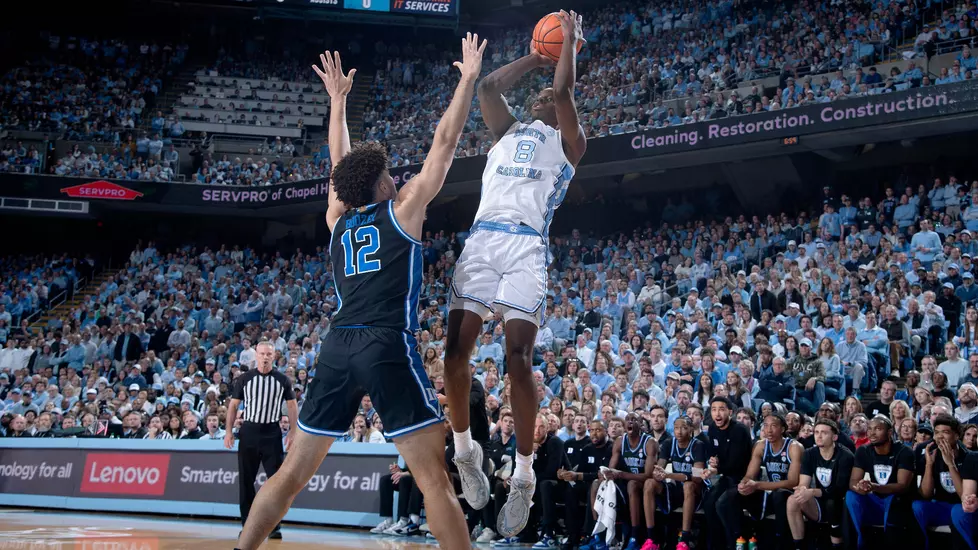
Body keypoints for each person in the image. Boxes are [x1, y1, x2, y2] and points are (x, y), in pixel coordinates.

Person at [233, 37, 487, 550]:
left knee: (287, 476)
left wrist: (338, 102)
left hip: (337, 346)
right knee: (433, 481)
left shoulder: (338, 219)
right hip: (385, 342)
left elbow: (339, 165)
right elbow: (444, 141)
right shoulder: (405, 208)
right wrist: (466, 81)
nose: (398, 178)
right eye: (390, 174)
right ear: (383, 185)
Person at [441, 10, 588, 540]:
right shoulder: (508, 130)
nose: (544, 99)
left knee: (517, 360)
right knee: (454, 355)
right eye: (541, 96)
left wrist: (566, 45)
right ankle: (465, 452)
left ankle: (523, 474)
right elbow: (487, 85)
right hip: (482, 239)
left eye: (549, 97)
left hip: (526, 246)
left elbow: (566, 94)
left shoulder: (569, 145)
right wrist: (539, 51)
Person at [225, 340, 297, 539]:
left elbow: (292, 406)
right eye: (262, 353)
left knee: (276, 483)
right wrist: (229, 432)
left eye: (269, 354)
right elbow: (233, 406)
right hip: (249, 432)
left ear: (274, 356)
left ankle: (273, 525)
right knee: (246, 481)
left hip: (272, 433)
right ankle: (247, 525)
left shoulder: (283, 379)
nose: (265, 357)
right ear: (256, 355)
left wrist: (292, 432)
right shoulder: (244, 379)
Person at [845, 415, 915, 550]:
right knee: (851, 496)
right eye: (870, 429)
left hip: (896, 500)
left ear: (889, 433)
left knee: (896, 499)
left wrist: (875, 487)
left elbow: (902, 486)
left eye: (878, 429)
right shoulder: (863, 450)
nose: (872, 433)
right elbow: (853, 481)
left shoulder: (904, 451)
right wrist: (859, 487)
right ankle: (855, 543)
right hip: (874, 500)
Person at [787, 419, 855, 549]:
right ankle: (799, 546)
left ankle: (837, 544)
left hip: (841, 502)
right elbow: (804, 482)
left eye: (824, 433)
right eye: (816, 432)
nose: (818, 436)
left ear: (834, 437)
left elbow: (839, 490)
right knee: (793, 499)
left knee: (832, 502)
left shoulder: (846, 456)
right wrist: (802, 490)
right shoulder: (809, 453)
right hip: (819, 502)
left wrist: (812, 492)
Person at [739, 413, 804, 546]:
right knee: (731, 496)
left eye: (773, 426)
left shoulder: (794, 447)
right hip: (769, 491)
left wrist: (757, 485)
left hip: (790, 494)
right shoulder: (760, 445)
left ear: (782, 429)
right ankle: (741, 539)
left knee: (779, 495)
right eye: (766, 426)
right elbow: (750, 475)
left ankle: (782, 542)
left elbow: (792, 482)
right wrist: (744, 483)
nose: (769, 430)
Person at [645, 416, 707, 550]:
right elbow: (660, 467)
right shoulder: (668, 443)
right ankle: (651, 539)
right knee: (649, 483)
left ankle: (684, 539)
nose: (679, 431)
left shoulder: (698, 445)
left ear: (691, 429)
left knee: (688, 485)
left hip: (697, 492)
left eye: (684, 428)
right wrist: (658, 473)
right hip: (677, 489)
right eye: (676, 428)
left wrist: (668, 475)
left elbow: (697, 477)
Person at [701, 397, 754, 550]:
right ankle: (718, 544)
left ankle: (737, 542)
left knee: (723, 503)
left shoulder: (739, 430)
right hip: (726, 476)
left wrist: (716, 469)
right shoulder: (711, 428)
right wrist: (712, 461)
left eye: (721, 409)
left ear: (730, 412)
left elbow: (736, 463)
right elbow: (714, 453)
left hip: (743, 478)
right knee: (709, 502)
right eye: (714, 409)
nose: (717, 413)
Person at [912, 413, 970, 549]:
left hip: (962, 509)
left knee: (957, 510)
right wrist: (929, 465)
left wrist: (951, 464)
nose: (940, 436)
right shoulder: (932, 455)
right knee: (917, 506)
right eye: (936, 432)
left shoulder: (969, 457)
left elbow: (964, 497)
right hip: (940, 507)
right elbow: (926, 494)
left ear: (956, 435)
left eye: (945, 432)